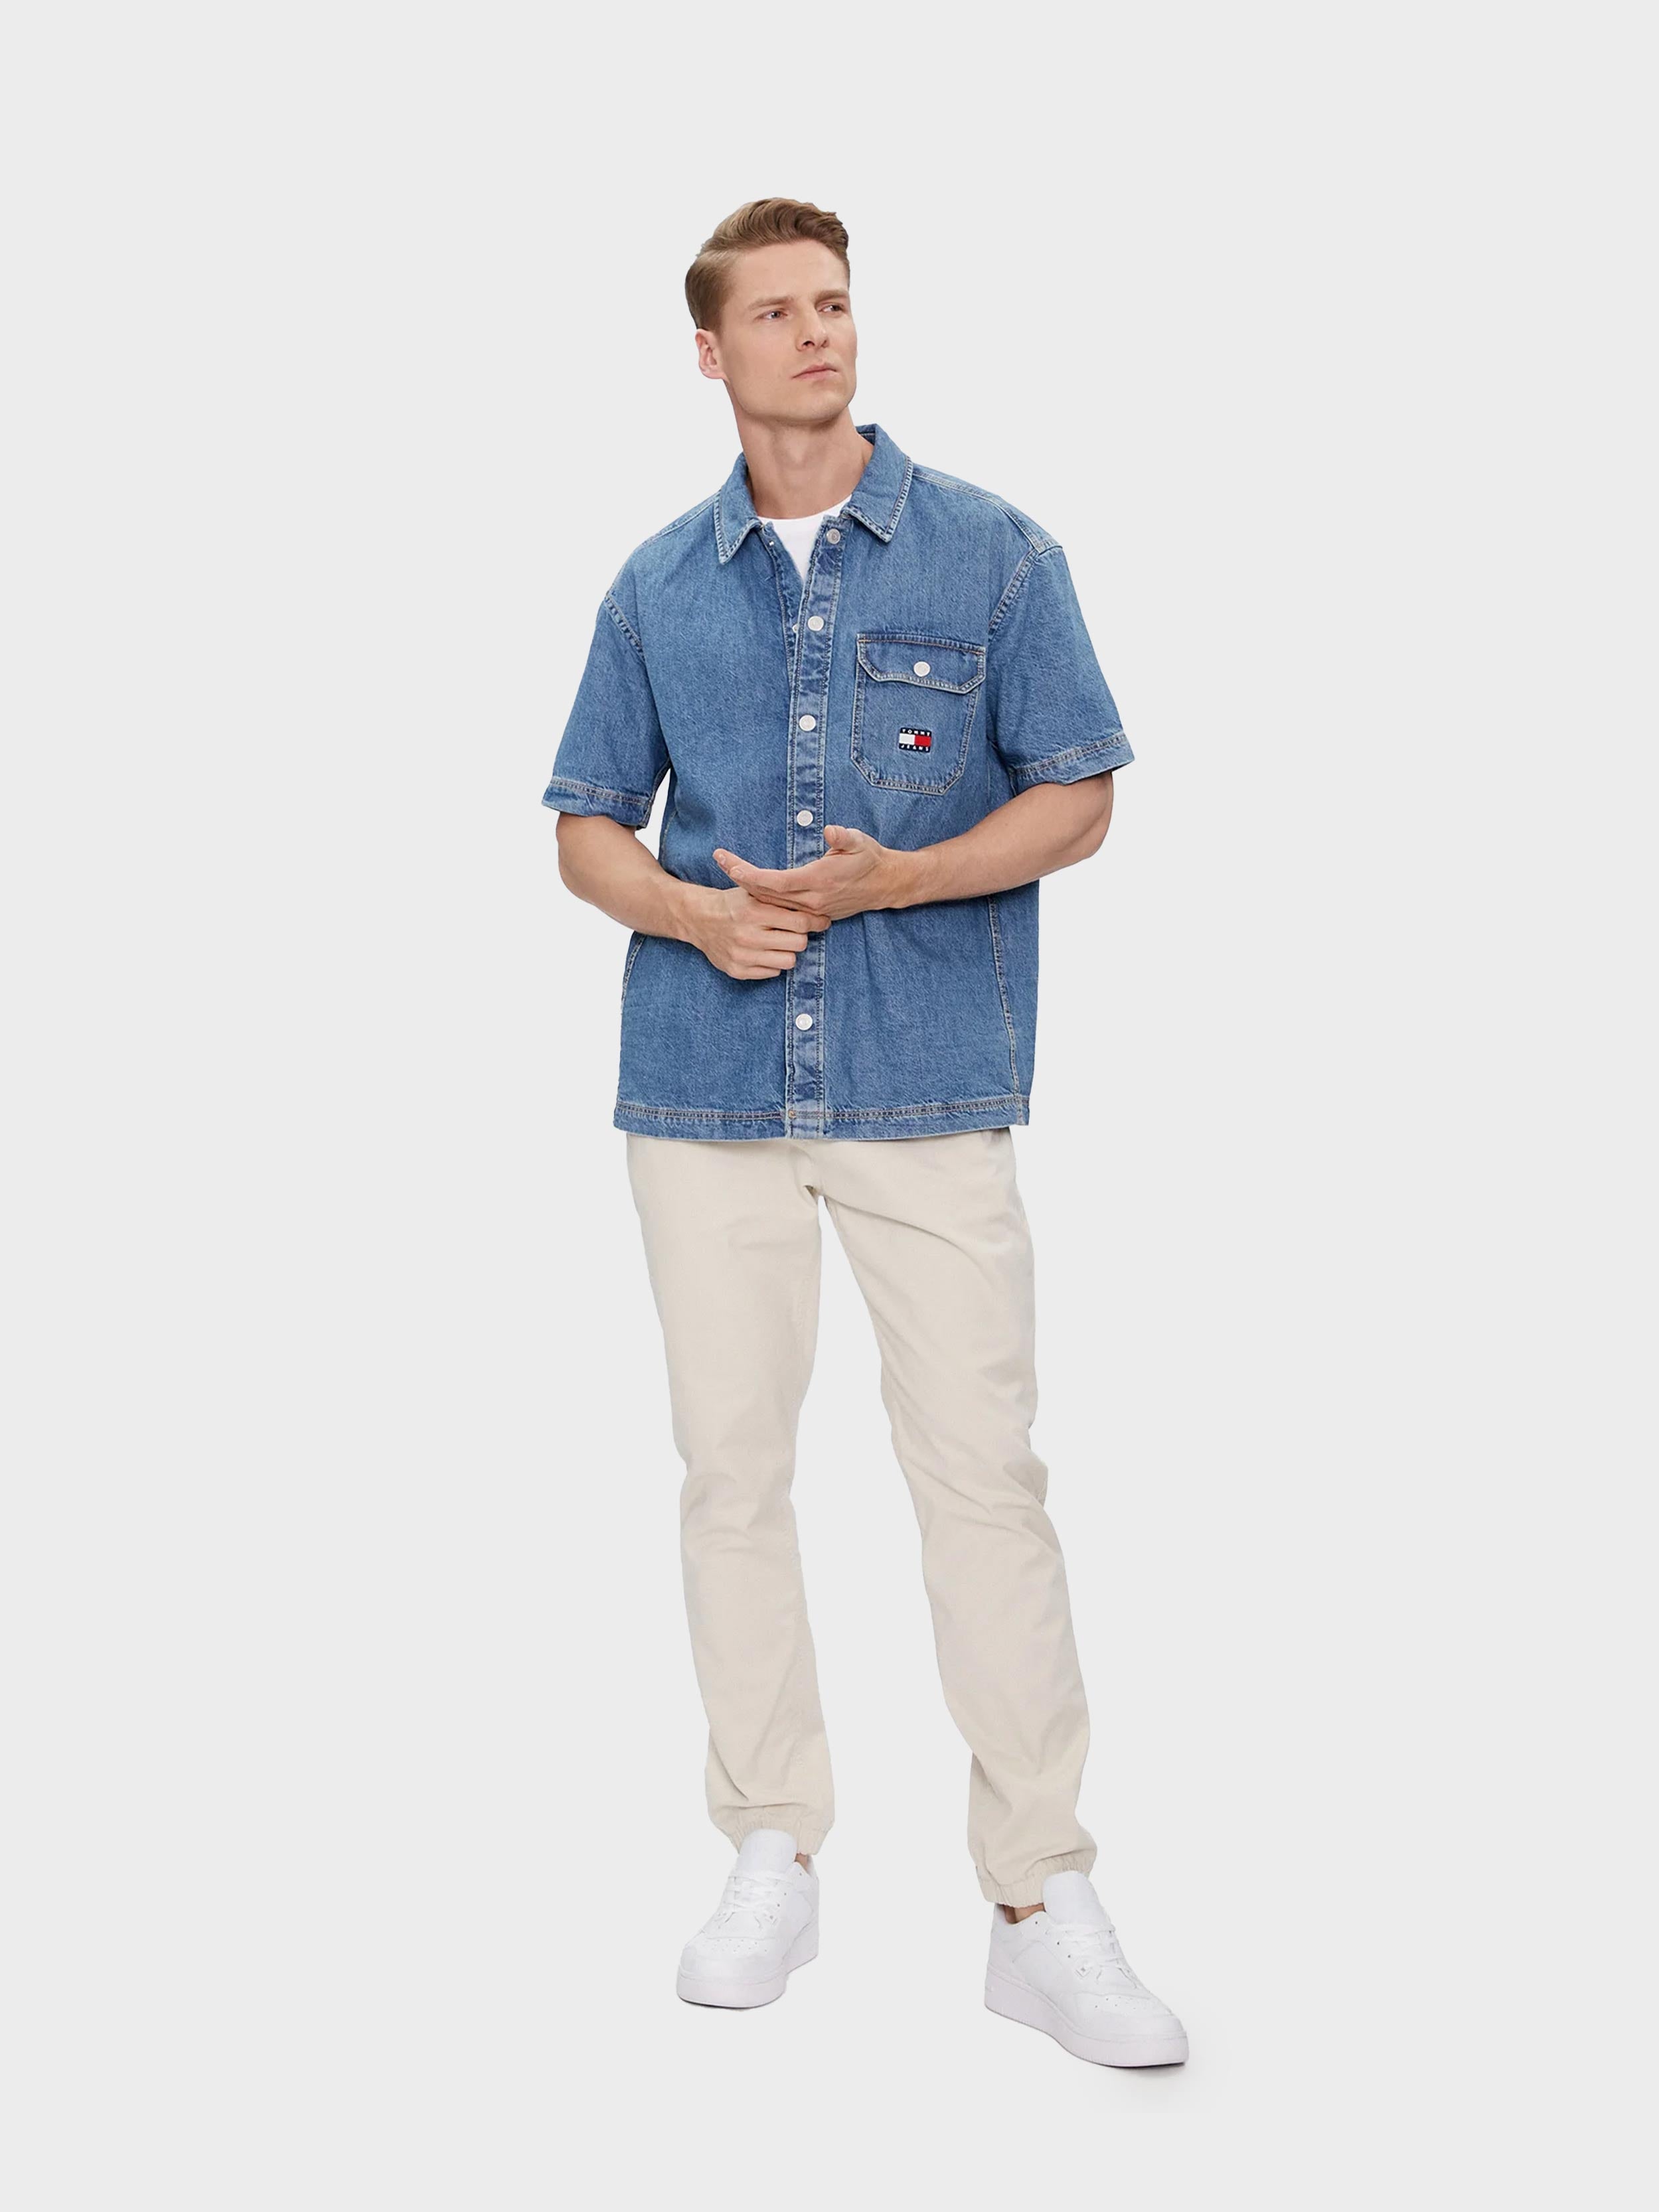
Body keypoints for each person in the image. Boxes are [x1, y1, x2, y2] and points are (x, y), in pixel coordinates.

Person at [542, 198, 1186, 2070]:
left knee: (984, 1475)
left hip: (926, 1083)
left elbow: (1079, 797)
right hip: (707, 1090)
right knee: (731, 1477)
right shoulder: (656, 587)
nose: (818, 333)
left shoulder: (994, 553)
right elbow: (585, 827)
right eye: (777, 313)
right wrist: (691, 913)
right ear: (711, 352)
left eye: (834, 303)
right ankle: (771, 1847)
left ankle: (1037, 1896)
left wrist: (900, 878)